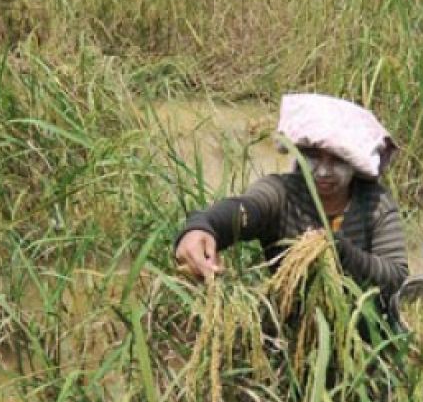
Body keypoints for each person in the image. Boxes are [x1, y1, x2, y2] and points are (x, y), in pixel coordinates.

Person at [173, 94, 409, 310]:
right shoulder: (282, 193)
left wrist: (343, 253)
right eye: (314, 156)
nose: (324, 172)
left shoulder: (375, 203)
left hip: (358, 323)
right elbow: (245, 209)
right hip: (291, 318)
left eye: (338, 160)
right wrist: (202, 226)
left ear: (355, 165)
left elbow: (395, 276)